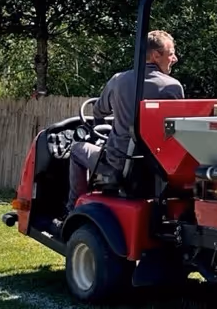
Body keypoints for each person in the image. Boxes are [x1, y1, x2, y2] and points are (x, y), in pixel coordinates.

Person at [68, 30, 183, 203]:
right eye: (171, 54)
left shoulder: (118, 80)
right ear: (155, 55)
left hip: (119, 164)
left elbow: (99, 112)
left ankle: (72, 208)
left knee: (77, 149)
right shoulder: (173, 87)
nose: (175, 59)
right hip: (157, 166)